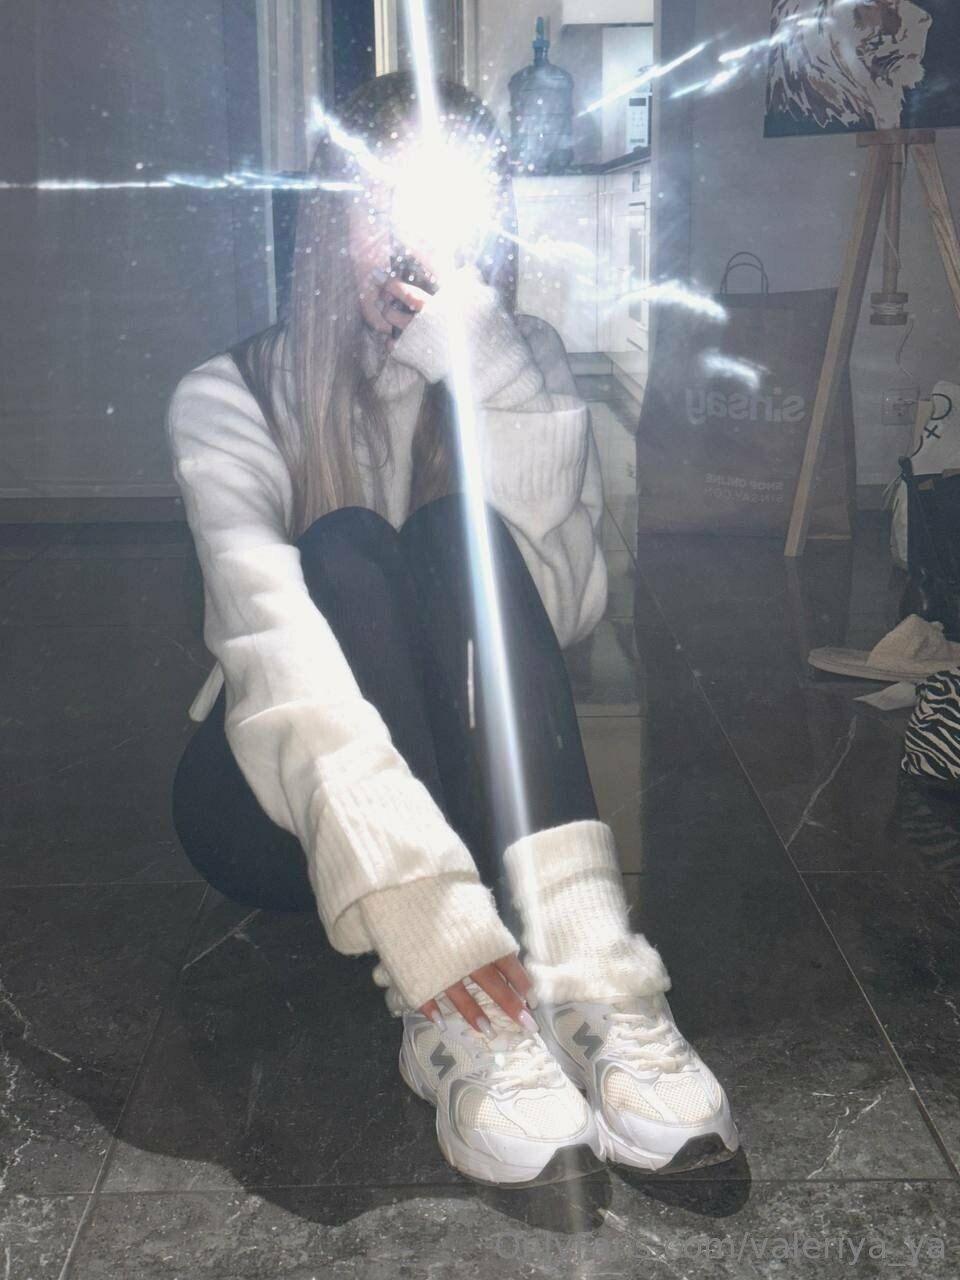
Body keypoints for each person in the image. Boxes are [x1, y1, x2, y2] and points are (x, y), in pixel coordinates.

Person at [167, 70, 738, 1186]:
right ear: (329, 223)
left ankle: (592, 977)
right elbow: (275, 659)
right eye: (379, 202)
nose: (405, 237)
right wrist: (434, 928)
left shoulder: (513, 355)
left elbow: (559, 610)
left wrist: (475, 363)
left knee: (452, 532)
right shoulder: (226, 394)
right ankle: (454, 1018)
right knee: (344, 549)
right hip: (274, 807)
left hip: (472, 800)